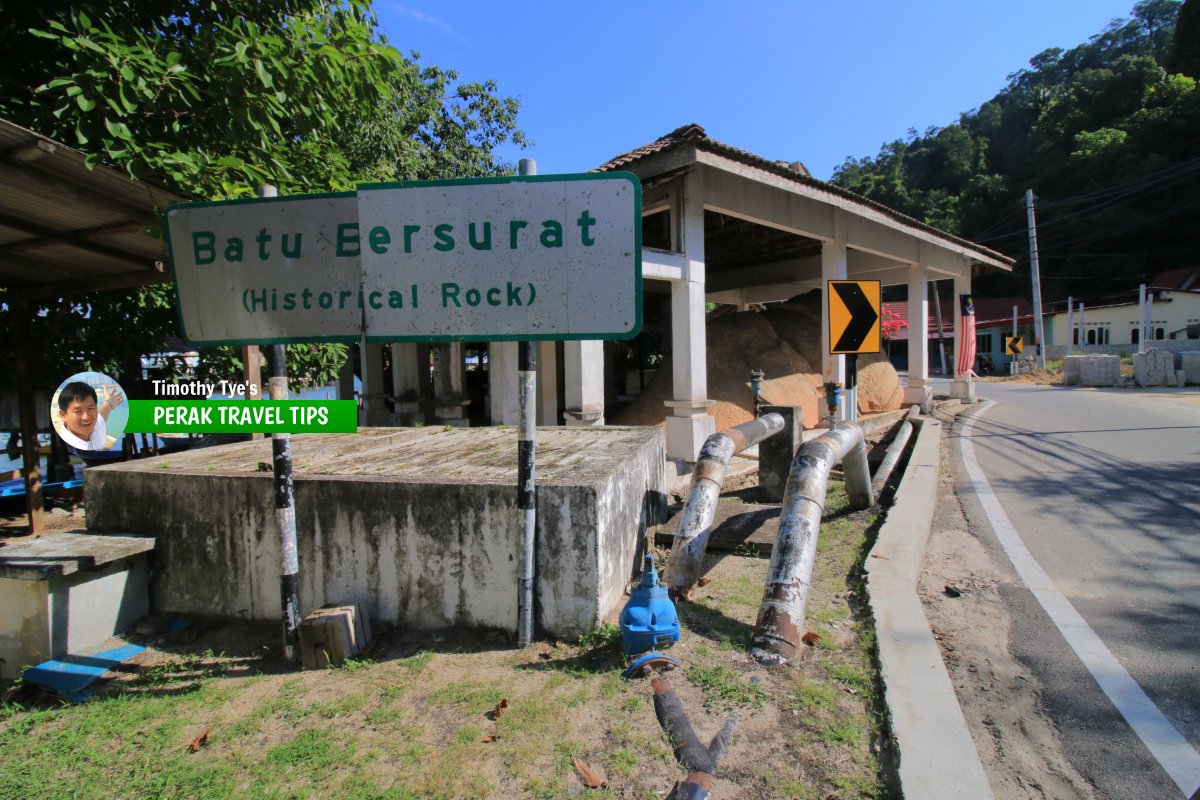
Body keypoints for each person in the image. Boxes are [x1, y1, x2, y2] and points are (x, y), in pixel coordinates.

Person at [56, 381, 124, 451]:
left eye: (90, 408)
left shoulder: (95, 427)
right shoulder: (70, 445)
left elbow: (101, 415)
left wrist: (109, 403)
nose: (86, 417)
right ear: (63, 415)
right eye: (78, 411)